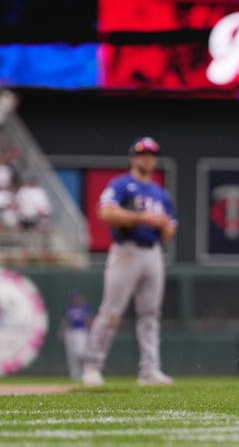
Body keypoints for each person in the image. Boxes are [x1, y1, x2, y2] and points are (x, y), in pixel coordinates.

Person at [81, 136, 177, 387]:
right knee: (112, 311)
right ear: (133, 158)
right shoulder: (122, 184)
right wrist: (141, 218)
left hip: (152, 252)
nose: (147, 158)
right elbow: (105, 212)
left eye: (151, 154)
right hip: (126, 250)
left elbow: (170, 231)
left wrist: (163, 224)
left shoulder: (160, 193)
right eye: (142, 153)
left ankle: (149, 371)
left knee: (150, 314)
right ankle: (92, 367)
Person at [60, 291, 93, 381]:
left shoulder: (85, 308)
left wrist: (91, 332)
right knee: (71, 355)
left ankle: (84, 371)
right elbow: (66, 321)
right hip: (70, 331)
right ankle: (75, 374)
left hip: (81, 332)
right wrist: (62, 332)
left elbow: (88, 320)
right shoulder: (69, 308)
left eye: (78, 298)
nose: (77, 300)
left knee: (81, 352)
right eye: (75, 298)